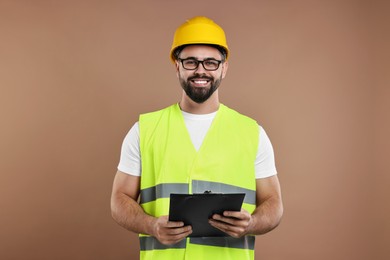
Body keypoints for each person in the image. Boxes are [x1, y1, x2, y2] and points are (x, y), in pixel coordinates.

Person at [110, 16, 283, 260]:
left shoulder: (252, 133)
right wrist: (151, 226)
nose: (200, 70)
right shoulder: (144, 130)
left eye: (211, 62)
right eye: (191, 62)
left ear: (224, 67)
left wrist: (251, 223)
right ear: (177, 65)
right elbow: (119, 200)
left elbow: (274, 204)